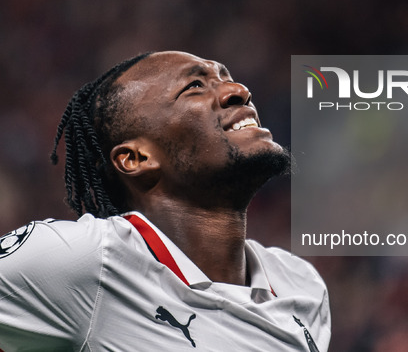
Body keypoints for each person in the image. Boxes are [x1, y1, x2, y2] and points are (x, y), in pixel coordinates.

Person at [0, 51, 330, 351]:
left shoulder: (301, 284)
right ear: (136, 157)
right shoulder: (91, 261)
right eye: (196, 86)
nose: (238, 91)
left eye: (226, 78)